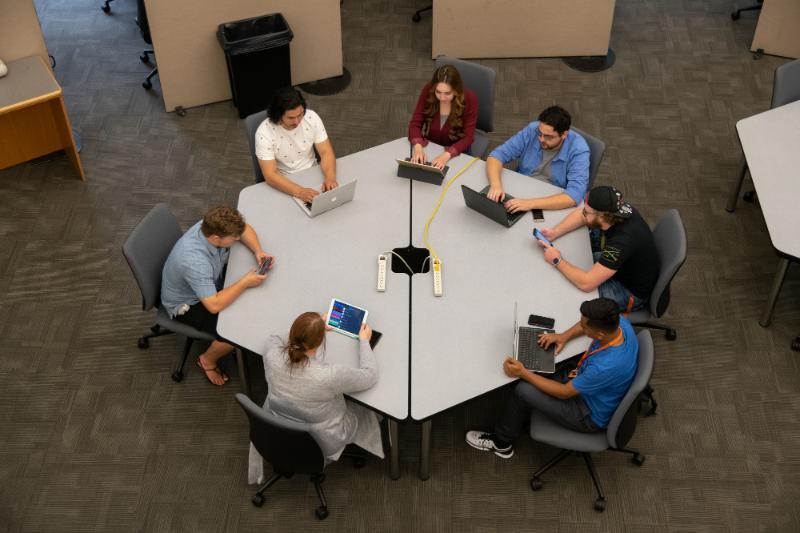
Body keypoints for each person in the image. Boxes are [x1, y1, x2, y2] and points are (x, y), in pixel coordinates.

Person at [465, 298, 638, 459]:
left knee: (523, 390)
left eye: (585, 328)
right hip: (586, 381)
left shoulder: (605, 367)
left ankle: (502, 443)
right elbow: (584, 325)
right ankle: (524, 409)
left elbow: (564, 392)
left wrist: (523, 373)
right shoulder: (619, 323)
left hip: (586, 414)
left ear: (600, 334)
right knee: (543, 367)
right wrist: (563, 336)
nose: (581, 327)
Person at [161, 206, 273, 386]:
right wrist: (244, 282)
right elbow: (213, 305)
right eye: (233, 238)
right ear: (215, 238)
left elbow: (244, 230)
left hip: (209, 283)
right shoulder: (195, 261)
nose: (237, 239)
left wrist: (258, 251)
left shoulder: (210, 226)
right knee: (238, 332)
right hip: (190, 303)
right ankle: (207, 360)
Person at [261, 312, 384, 461]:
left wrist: (309, 330)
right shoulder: (329, 375)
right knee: (369, 411)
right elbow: (370, 376)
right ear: (320, 342)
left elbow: (273, 338)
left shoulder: (272, 355)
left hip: (279, 423)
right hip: (322, 440)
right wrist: (364, 341)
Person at [535, 185, 659, 313]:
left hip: (628, 290)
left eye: (587, 212)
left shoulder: (621, 243)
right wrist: (555, 232)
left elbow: (586, 284)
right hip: (623, 267)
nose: (583, 213)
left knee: (570, 296)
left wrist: (557, 260)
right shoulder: (616, 210)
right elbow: (582, 215)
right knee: (570, 270)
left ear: (601, 215)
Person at [486, 105, 590, 212]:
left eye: (548, 136)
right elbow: (497, 155)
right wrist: (496, 186)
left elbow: (574, 195)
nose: (541, 139)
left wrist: (530, 204)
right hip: (523, 186)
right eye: (540, 134)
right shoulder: (533, 130)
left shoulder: (579, 149)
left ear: (564, 134)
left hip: (551, 199)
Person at [255, 87, 339, 204]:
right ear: (278, 115)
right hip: (285, 183)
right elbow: (270, 175)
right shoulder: (264, 133)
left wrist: (330, 178)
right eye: (291, 118)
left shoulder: (311, 117)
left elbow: (326, 152)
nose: (297, 122)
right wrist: (300, 192)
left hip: (314, 173)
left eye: (300, 115)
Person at [408, 64, 478, 169]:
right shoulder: (428, 90)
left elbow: (468, 138)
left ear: (456, 90)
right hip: (431, 147)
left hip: (457, 150)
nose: (442, 98)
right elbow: (415, 124)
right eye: (438, 92)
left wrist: (446, 155)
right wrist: (418, 148)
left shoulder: (470, 98)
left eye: (447, 93)